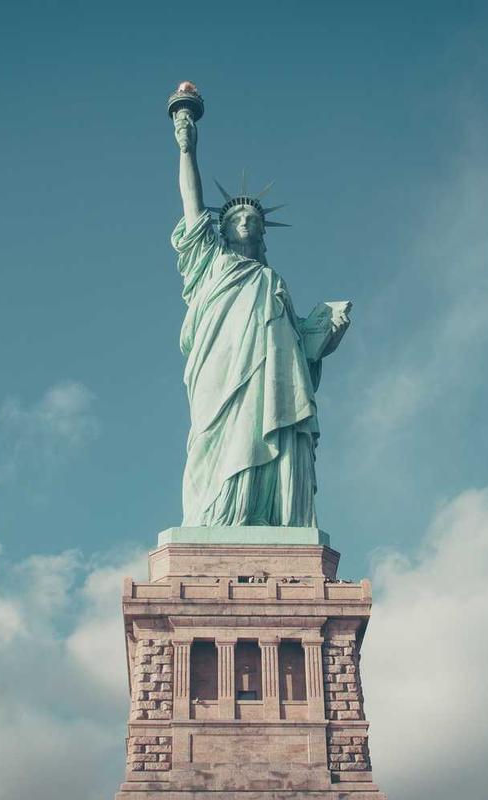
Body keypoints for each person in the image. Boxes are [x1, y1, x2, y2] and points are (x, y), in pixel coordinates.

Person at [170, 106, 350, 527]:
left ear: (263, 232)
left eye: (253, 218)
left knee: (270, 431)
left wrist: (324, 333)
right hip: (219, 370)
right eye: (237, 218)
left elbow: (300, 352)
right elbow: (193, 206)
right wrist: (186, 150)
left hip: (270, 380)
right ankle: (216, 519)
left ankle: (266, 515)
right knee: (212, 439)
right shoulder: (210, 262)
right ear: (225, 228)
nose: (247, 221)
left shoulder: (274, 282)